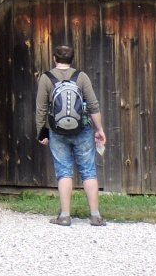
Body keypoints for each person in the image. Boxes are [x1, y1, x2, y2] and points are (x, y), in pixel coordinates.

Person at [37, 43, 107, 227]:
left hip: (57, 131)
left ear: (54, 58)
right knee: (88, 170)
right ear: (72, 59)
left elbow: (41, 108)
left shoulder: (46, 78)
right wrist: (99, 129)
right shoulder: (81, 77)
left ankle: (65, 216)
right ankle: (95, 216)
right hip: (82, 129)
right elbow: (93, 105)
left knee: (63, 171)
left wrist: (41, 132)